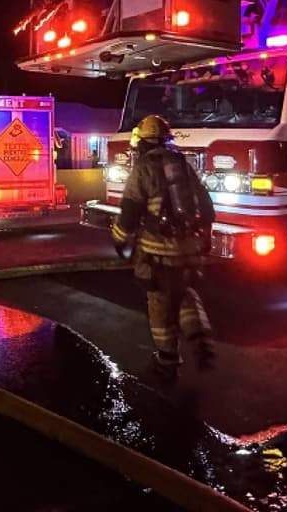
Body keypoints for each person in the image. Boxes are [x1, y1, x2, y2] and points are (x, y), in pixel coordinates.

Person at [111, 114, 216, 382]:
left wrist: (119, 238)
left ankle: (166, 362)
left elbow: (130, 211)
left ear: (143, 142)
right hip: (189, 247)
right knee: (185, 294)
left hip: (158, 252)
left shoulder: (144, 168)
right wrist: (205, 237)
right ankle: (201, 340)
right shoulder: (183, 165)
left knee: (160, 303)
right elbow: (205, 206)